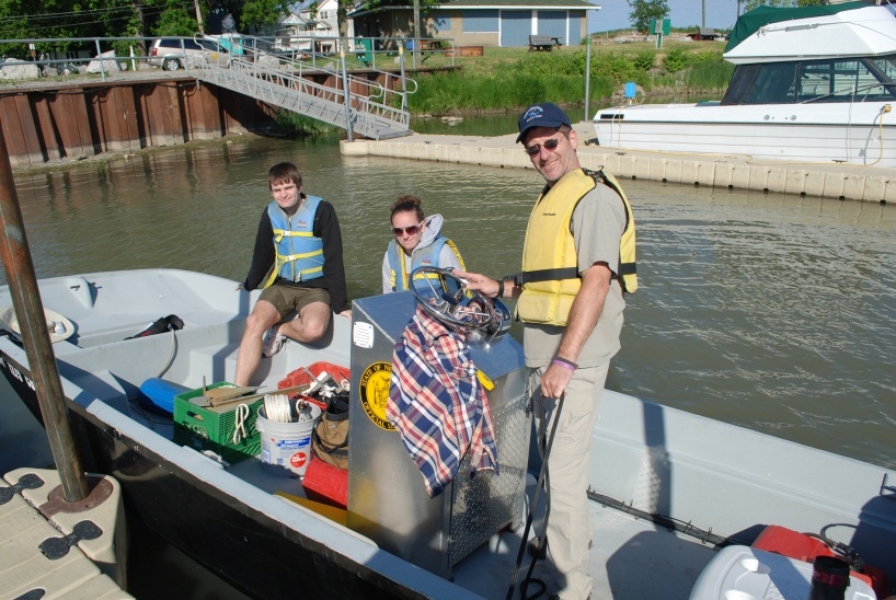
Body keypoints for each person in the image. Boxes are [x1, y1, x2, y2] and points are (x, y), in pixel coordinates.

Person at [455, 102, 637, 600]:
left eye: (550, 142)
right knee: (555, 463)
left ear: (572, 137)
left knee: (563, 470)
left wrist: (564, 360)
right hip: (543, 355)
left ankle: (575, 587)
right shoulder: (554, 195)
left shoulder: (593, 200)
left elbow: (596, 281)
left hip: (568, 361)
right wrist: (499, 287)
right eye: (533, 148)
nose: (542, 153)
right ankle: (564, 550)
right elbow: (548, 279)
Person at [234, 162, 351, 387]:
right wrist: (249, 283)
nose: (283, 194)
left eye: (288, 187)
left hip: (316, 287)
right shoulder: (269, 214)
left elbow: (335, 258)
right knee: (254, 322)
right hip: (282, 285)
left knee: (314, 329)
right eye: (277, 190)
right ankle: (236, 390)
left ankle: (280, 328)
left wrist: (341, 304)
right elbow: (263, 253)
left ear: (299, 186)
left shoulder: (322, 211)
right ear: (271, 192)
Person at [382, 195, 465, 293]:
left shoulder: (443, 253)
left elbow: (459, 295)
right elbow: (387, 295)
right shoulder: (390, 255)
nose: (405, 236)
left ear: (423, 226)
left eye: (411, 229)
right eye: (398, 231)